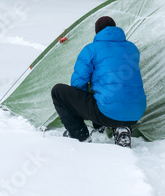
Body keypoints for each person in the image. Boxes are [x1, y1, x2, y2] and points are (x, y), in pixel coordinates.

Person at [51, 16, 146, 148]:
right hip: (136, 113)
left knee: (58, 92)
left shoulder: (91, 49)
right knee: (120, 92)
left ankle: (80, 134)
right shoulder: (132, 48)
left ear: (97, 32)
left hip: (107, 113)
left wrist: (89, 112)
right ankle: (122, 128)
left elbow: (78, 84)